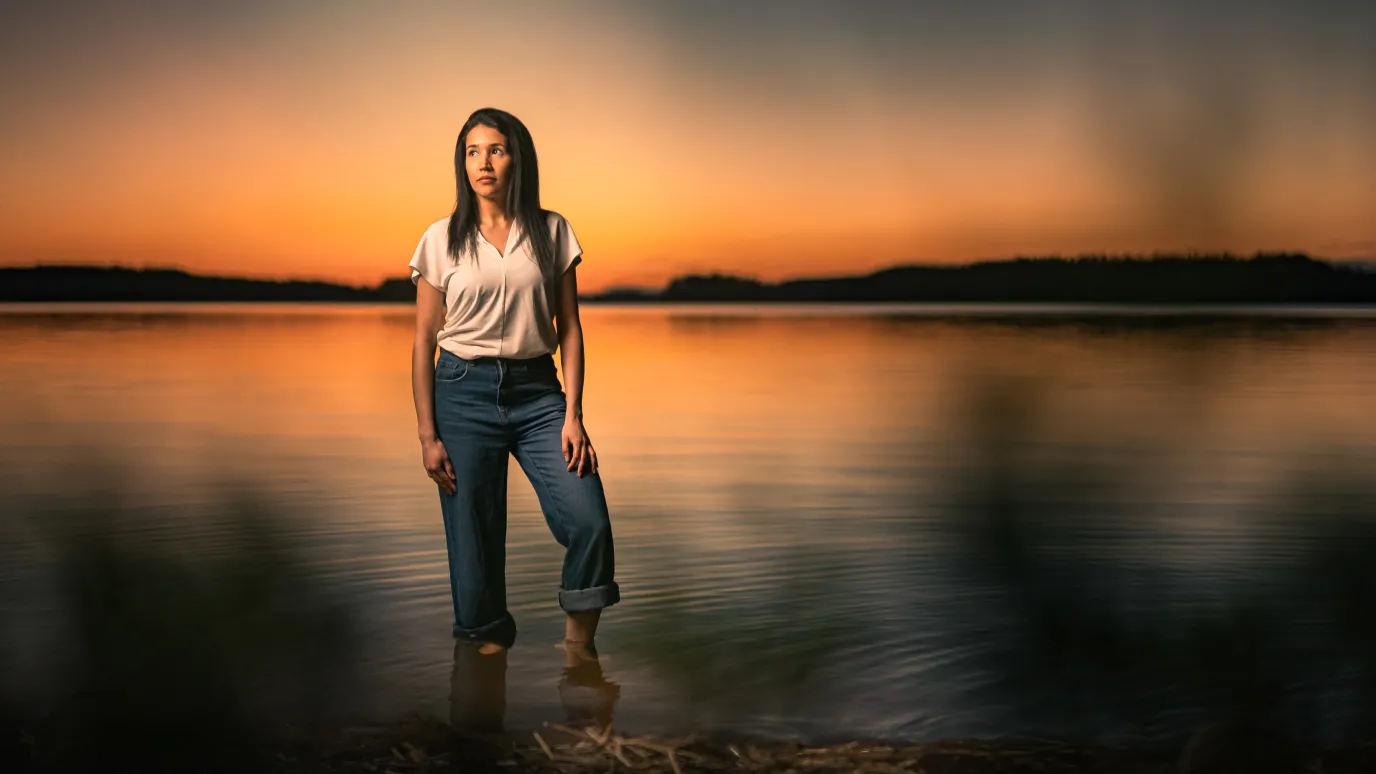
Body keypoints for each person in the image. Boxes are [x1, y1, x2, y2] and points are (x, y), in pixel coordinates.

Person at [409, 107, 619, 658]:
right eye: (472, 151)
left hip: (539, 396)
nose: (484, 162)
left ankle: (579, 659)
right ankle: (483, 683)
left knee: (588, 519)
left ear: (518, 158)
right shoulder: (440, 238)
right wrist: (428, 435)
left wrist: (573, 415)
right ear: (462, 162)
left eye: (496, 149)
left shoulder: (552, 231)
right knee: (475, 546)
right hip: (461, 391)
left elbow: (569, 328)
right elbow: (422, 341)